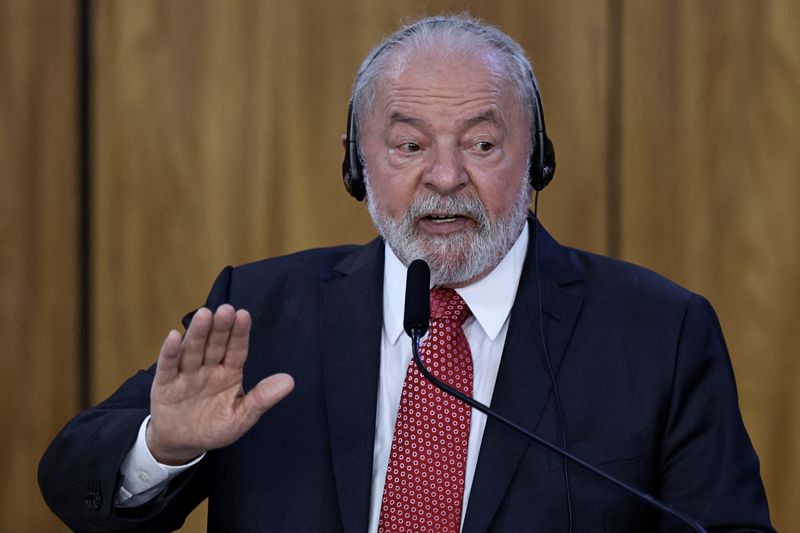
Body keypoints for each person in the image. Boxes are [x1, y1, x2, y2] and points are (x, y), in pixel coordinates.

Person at [39, 14, 773, 532]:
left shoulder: (659, 333)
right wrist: (165, 446)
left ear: (537, 159)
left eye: (482, 143)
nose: (445, 176)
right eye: (408, 145)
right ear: (358, 164)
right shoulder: (261, 313)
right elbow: (73, 482)